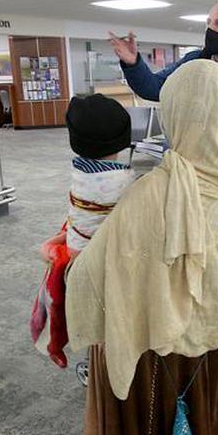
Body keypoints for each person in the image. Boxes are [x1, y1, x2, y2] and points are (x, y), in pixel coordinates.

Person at [65, 60, 218, 435]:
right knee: (204, 430)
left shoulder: (157, 192)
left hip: (159, 347)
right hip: (214, 340)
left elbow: (90, 277)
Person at [32, 94, 135, 368]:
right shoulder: (123, 182)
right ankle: (104, 366)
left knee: (93, 317)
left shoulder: (80, 171)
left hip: (76, 252)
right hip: (100, 263)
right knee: (107, 318)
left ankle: (96, 359)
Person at [108, 0, 218, 155]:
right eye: (209, 22)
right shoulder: (192, 62)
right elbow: (154, 88)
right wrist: (133, 64)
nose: (211, 29)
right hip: (192, 164)